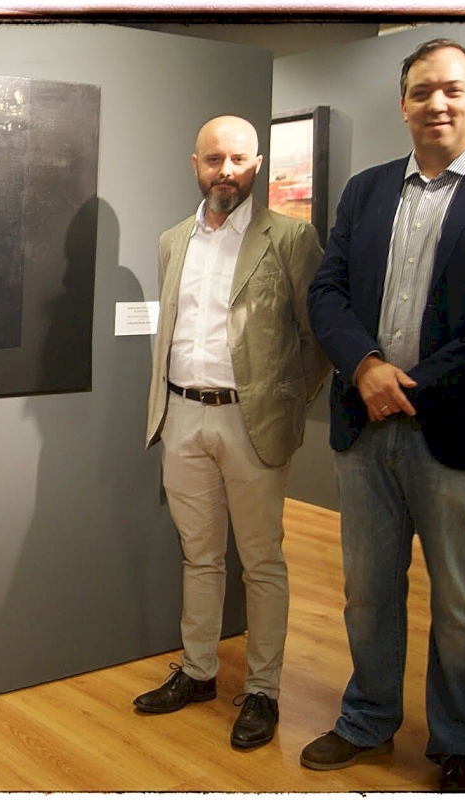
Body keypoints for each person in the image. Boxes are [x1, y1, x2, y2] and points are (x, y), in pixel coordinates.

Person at [302, 38, 465, 791]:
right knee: (368, 593)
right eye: (421, 92)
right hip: (365, 429)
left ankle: (459, 743)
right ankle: (367, 719)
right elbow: (327, 292)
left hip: (460, 431)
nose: (436, 104)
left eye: (450, 89)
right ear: (403, 104)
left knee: (463, 602)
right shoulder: (367, 190)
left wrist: (406, 386)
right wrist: (366, 367)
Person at [136, 115, 327, 749]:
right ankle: (197, 671)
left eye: (239, 159)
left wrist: (285, 403)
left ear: (257, 164)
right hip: (182, 416)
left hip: (252, 421)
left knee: (263, 561)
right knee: (200, 555)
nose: (227, 171)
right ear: (195, 164)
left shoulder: (291, 238)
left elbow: (317, 337)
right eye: (215, 158)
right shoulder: (173, 240)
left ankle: (264, 691)